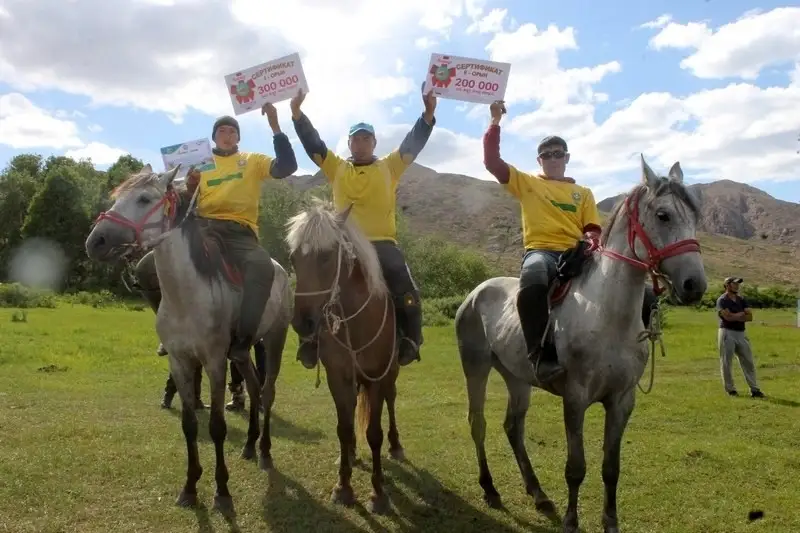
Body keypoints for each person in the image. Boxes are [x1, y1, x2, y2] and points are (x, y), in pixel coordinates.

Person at [482, 99, 658, 386]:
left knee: (646, 292)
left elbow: (592, 228)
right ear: (539, 160)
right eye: (546, 154)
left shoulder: (583, 193)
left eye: (558, 153)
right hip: (542, 251)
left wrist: (591, 241)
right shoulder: (527, 183)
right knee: (535, 278)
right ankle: (539, 354)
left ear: (566, 157)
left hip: (579, 253)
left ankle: (632, 351)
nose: (552, 158)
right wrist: (495, 121)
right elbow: (492, 162)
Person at [134, 103, 298, 410]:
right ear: (213, 137)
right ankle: (169, 332)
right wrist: (189, 186)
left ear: (238, 138)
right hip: (201, 229)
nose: (227, 134)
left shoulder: (251, 160)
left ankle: (241, 344)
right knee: (145, 268)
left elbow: (286, 166)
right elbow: (178, 202)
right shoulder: (198, 164)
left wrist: (276, 126)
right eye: (221, 130)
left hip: (239, 232)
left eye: (232, 131)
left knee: (262, 267)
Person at [289, 87, 437, 369]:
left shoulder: (390, 166)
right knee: (313, 278)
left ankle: (410, 338)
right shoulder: (336, 167)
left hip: (382, 243)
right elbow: (314, 144)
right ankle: (309, 341)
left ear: (374, 142)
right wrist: (297, 114)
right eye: (356, 139)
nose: (360, 143)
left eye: (366, 138)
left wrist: (428, 114)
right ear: (349, 143)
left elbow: (412, 143)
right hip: (343, 243)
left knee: (403, 283)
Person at [716, 277, 765, 398]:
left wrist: (735, 315)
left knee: (748, 361)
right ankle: (730, 389)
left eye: (738, 284)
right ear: (727, 285)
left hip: (741, 333)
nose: (737, 286)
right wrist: (740, 314)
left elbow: (749, 317)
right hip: (727, 332)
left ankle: (755, 389)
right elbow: (727, 318)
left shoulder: (741, 299)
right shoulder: (722, 300)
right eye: (734, 283)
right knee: (727, 362)